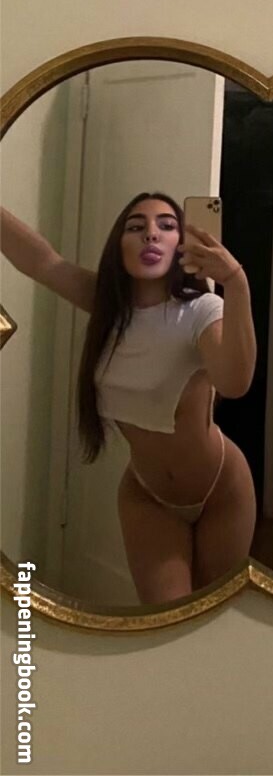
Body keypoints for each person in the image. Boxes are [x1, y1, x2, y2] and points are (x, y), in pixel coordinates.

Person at [0, 194, 257, 603]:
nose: (151, 234)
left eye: (167, 226)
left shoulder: (200, 311)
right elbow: (42, 262)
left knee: (214, 622)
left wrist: (236, 283)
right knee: (165, 621)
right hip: (147, 494)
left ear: (181, 246)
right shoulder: (107, 307)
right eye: (136, 227)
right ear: (118, 246)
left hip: (220, 489)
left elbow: (234, 382)